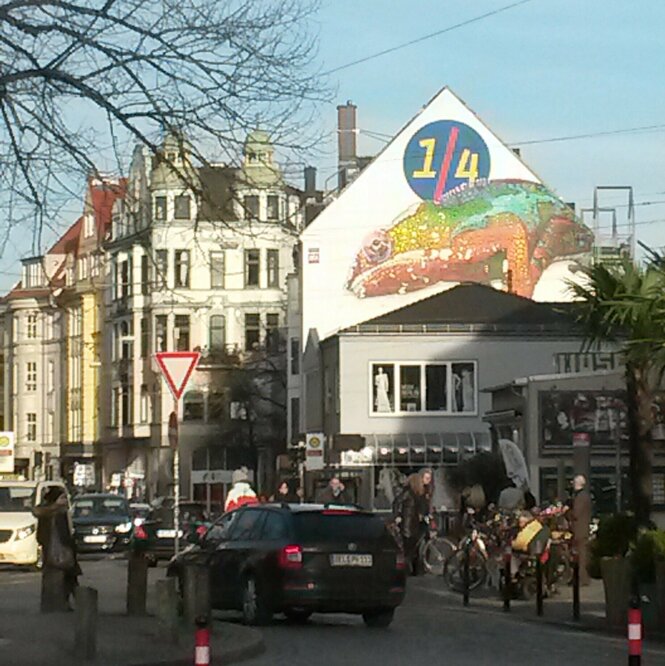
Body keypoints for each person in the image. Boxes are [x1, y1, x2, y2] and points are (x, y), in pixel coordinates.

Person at [32, 486, 81, 611]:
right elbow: (62, 534)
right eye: (62, 498)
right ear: (55, 499)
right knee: (66, 578)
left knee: (70, 578)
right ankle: (69, 604)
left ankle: (70, 603)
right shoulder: (55, 513)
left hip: (60, 550)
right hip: (57, 550)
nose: (65, 500)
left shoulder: (61, 512)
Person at [394, 473, 430, 575]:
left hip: (411, 523)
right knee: (411, 547)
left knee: (413, 548)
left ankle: (413, 569)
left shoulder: (413, 493)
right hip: (409, 524)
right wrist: (398, 516)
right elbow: (397, 504)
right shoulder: (410, 493)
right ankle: (411, 569)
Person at [569, 474, 592, 585]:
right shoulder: (584, 496)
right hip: (583, 529)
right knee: (582, 554)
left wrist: (567, 512)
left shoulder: (580, 497)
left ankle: (581, 578)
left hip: (579, 530)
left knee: (581, 554)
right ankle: (581, 577)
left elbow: (576, 513)